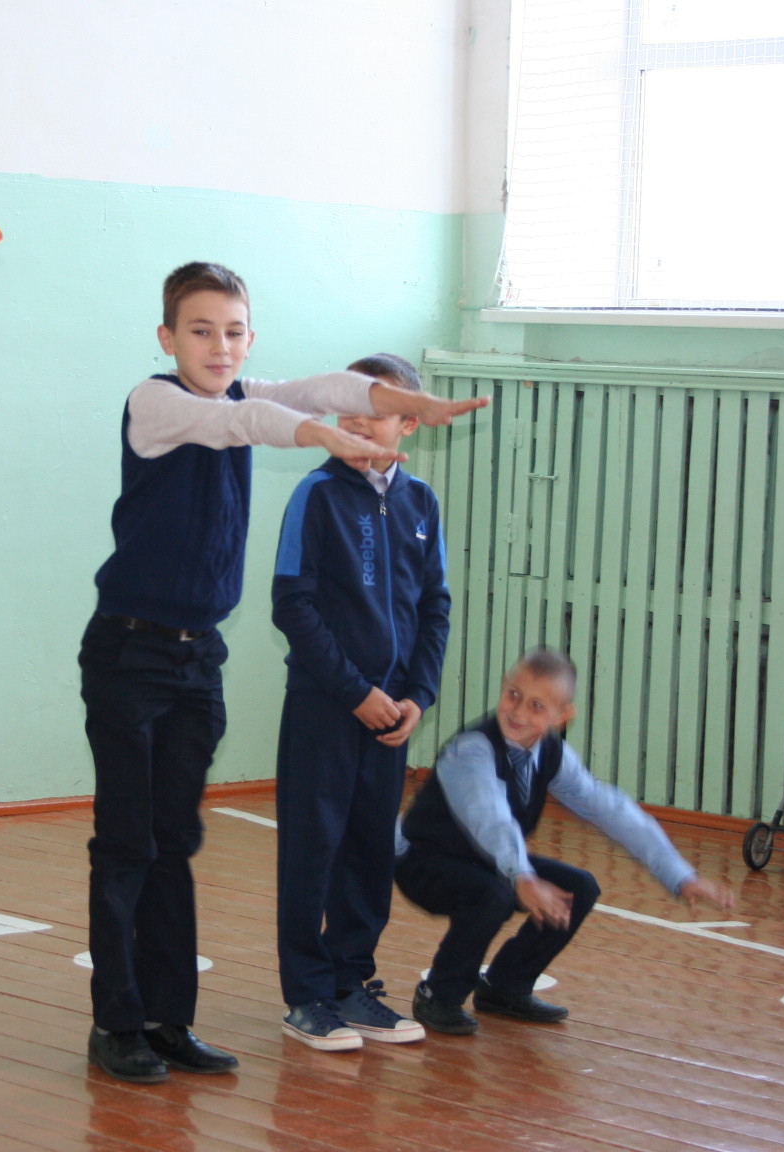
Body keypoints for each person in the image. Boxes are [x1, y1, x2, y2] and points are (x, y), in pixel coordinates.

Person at [81, 263, 487, 1084]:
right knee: (128, 844)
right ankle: (117, 1025)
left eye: (233, 332)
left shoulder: (245, 392)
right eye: (200, 330)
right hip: (130, 652)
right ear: (167, 338)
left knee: (175, 841)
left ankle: (168, 1021)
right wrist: (326, 438)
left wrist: (407, 402)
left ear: (249, 338)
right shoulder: (155, 403)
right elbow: (257, 421)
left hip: (198, 656)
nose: (219, 346)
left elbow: (321, 388)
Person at [395, 647, 734, 1034]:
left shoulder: (551, 753)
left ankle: (505, 987)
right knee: (495, 894)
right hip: (424, 861)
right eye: (513, 695)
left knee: (579, 888)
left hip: (486, 862)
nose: (519, 712)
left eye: (537, 706)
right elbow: (490, 816)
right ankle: (438, 995)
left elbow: (610, 809)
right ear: (503, 687)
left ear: (562, 716)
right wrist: (522, 876)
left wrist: (680, 875)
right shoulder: (471, 750)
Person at [270, 352, 450, 1051]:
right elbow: (292, 604)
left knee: (371, 848)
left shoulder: (421, 503)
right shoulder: (316, 495)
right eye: (348, 404)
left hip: (392, 717)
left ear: (410, 424)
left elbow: (434, 606)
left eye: (375, 408)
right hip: (326, 708)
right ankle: (308, 996)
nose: (356, 418)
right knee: (313, 848)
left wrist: (417, 695)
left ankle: (352, 982)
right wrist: (354, 691)